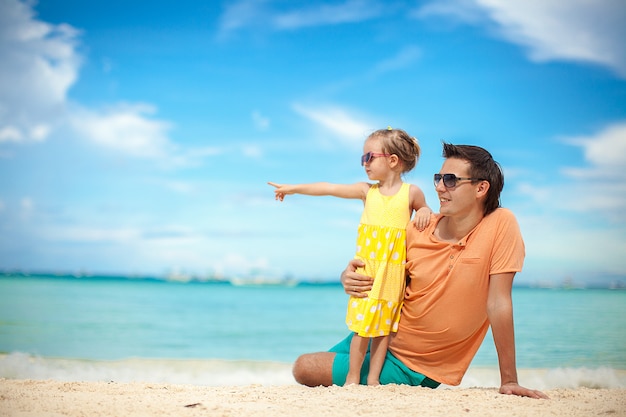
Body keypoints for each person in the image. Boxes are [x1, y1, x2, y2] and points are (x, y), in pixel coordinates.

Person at [291, 142, 549, 399]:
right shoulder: (417, 229)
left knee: (305, 368)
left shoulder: (500, 224)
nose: (438, 187)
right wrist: (347, 277)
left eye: (450, 180)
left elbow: (498, 302)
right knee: (309, 364)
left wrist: (510, 380)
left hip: (413, 365)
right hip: (377, 329)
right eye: (438, 178)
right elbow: (384, 272)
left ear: (481, 188)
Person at [269, 127, 432, 386]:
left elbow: (424, 209)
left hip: (392, 273)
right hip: (368, 271)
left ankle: (374, 380)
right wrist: (294, 188)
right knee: (361, 328)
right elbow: (329, 188)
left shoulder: (411, 194)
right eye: (363, 158)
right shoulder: (367, 192)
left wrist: (424, 210)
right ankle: (353, 379)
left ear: (392, 161)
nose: (364, 163)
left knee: (384, 331)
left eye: (369, 157)